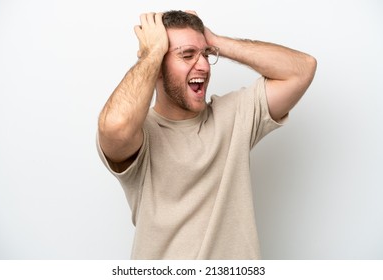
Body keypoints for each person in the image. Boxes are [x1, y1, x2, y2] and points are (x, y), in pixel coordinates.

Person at [96, 10, 316, 259]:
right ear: (156, 68)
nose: (202, 65)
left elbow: (302, 69)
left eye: (206, 55)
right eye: (187, 55)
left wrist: (214, 41)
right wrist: (152, 52)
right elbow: (114, 127)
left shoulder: (234, 115)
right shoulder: (143, 134)